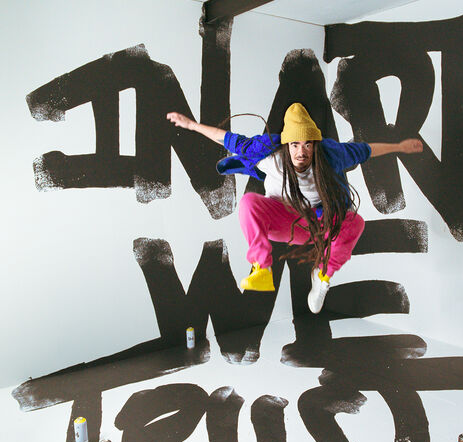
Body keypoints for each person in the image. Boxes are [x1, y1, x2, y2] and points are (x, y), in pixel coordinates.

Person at [166, 103, 423, 313]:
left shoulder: (330, 155)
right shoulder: (269, 155)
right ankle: (262, 268)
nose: (302, 152)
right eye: (295, 145)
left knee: (355, 222)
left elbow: (366, 151)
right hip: (281, 223)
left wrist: (399, 147)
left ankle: (322, 276)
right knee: (249, 202)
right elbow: (225, 139)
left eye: (307, 145)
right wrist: (191, 125)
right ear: (286, 144)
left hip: (316, 227)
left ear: (315, 144)